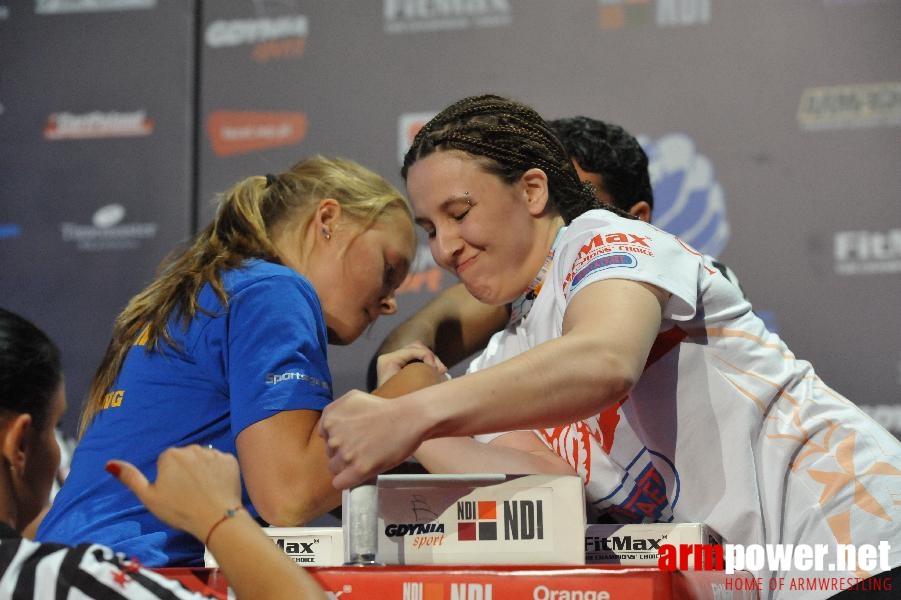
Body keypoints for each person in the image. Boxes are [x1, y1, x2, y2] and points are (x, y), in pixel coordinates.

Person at [319, 95, 901, 598]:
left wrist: (410, 412)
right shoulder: (508, 351)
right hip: (771, 576)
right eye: (429, 229)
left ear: (532, 189)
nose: (445, 248)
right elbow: (550, 498)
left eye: (459, 213)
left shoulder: (606, 239)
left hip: (856, 532)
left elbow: (604, 361)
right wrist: (425, 417)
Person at [37, 155, 427, 567]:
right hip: (127, 575)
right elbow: (289, 495)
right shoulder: (274, 289)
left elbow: (313, 486)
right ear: (327, 219)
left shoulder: (217, 288)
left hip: (62, 570)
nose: (389, 302)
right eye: (388, 269)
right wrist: (414, 393)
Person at [368, 115, 745, 380]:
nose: (561, 221)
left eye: (578, 202)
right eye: (431, 229)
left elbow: (604, 362)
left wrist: (422, 407)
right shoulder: (524, 307)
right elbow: (424, 335)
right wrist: (414, 386)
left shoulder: (627, 248)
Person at [0, 307, 326, 599]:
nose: (59, 452)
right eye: (54, 427)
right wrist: (221, 518)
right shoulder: (66, 582)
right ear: (20, 444)